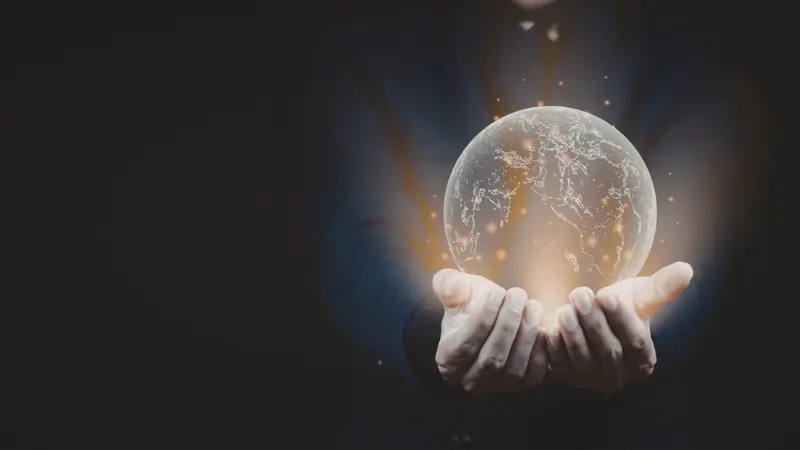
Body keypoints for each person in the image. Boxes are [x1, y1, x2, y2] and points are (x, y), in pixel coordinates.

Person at [307, 0, 762, 448]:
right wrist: (431, 332)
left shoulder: (695, 55)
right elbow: (354, 241)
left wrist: (654, 324)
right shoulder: (377, 44)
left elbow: (710, 241)